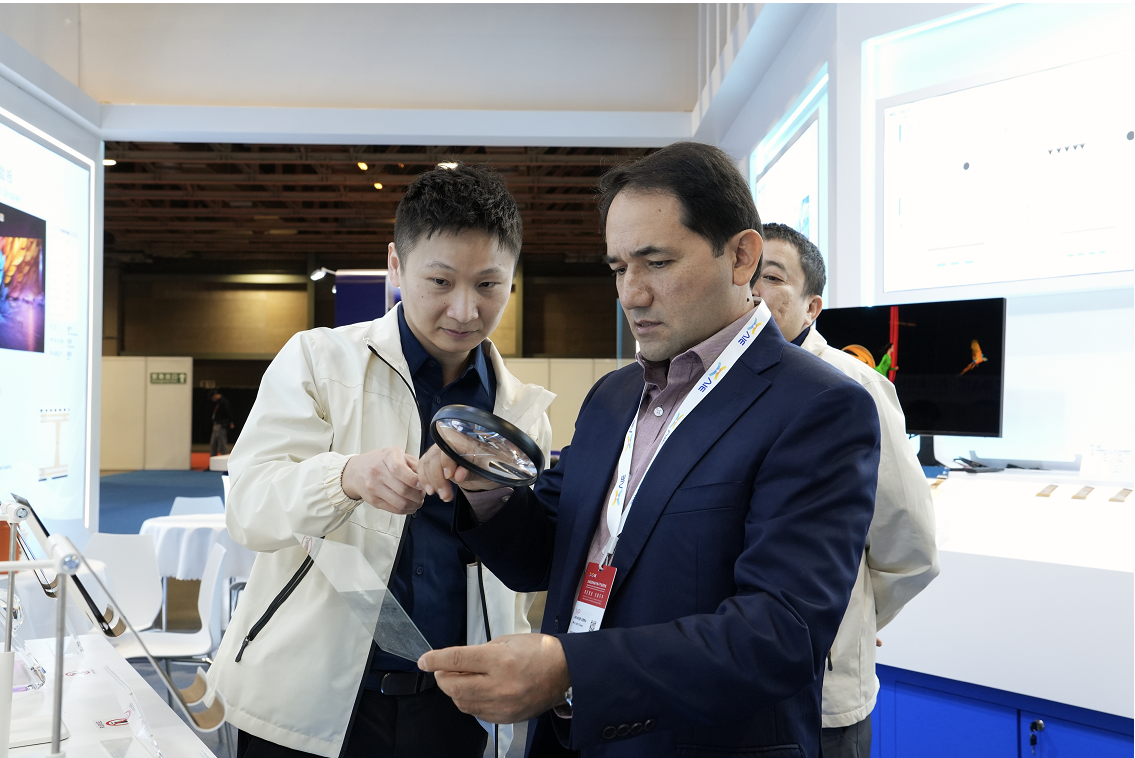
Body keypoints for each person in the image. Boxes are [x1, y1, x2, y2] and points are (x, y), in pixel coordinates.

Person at [415, 142, 882, 758]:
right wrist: (488, 493)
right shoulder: (613, 396)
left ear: (742, 257)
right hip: (569, 737)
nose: (631, 294)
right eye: (618, 268)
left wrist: (572, 669)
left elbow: (780, 635)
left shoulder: (819, 406)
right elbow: (548, 550)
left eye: (656, 263)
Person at [204, 163, 555, 758]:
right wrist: (344, 478)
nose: (464, 310)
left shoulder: (520, 413)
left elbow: (520, 573)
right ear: (396, 265)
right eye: (439, 281)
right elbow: (249, 507)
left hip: (454, 708)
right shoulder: (319, 361)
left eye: (489, 285)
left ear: (512, 279)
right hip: (307, 703)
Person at [754, 222, 939, 758]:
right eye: (746, 273)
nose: (754, 289)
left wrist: (848, 617)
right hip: (729, 682)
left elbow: (910, 542)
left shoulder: (853, 387)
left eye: (773, 277)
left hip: (822, 692)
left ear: (812, 307)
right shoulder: (718, 384)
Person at [209, 389, 234, 456]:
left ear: (214, 396)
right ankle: (212, 460)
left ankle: (224, 460)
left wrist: (231, 422)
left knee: (222, 444)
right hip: (216, 425)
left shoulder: (223, 402)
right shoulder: (218, 402)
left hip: (221, 425)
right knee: (213, 444)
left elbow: (228, 413)